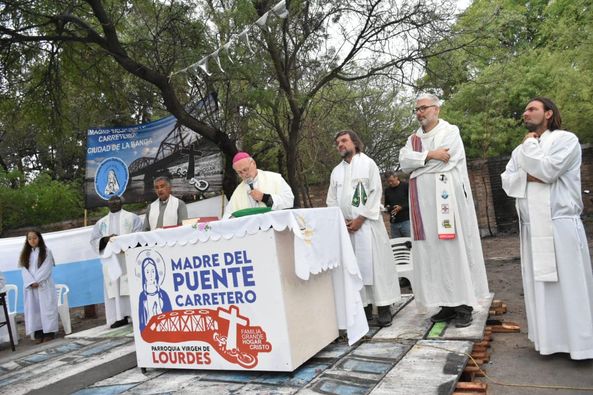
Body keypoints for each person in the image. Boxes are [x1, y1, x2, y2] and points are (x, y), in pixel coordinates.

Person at [501, 97, 593, 359]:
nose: (525, 113)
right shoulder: (520, 150)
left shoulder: (566, 140)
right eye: (525, 110)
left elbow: (549, 170)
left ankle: (580, 345)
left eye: (532, 109)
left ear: (549, 113)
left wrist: (530, 149)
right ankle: (549, 342)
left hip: (560, 224)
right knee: (541, 287)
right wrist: (528, 174)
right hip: (533, 227)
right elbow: (507, 181)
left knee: (570, 285)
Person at [398, 93, 489, 328]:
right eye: (417, 109)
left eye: (424, 108)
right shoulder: (413, 139)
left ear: (436, 109)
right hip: (422, 203)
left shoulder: (450, 131)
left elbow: (447, 160)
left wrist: (419, 164)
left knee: (452, 249)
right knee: (431, 252)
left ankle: (463, 305)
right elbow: (404, 162)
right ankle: (445, 304)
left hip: (445, 200)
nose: (419, 113)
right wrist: (429, 154)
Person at [327, 130, 400, 327]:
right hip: (348, 228)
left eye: (344, 140)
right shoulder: (336, 171)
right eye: (337, 142)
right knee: (355, 269)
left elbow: (375, 193)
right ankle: (365, 308)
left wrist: (361, 218)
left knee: (377, 268)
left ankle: (384, 307)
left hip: (368, 226)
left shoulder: (368, 164)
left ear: (355, 143)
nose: (340, 145)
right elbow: (331, 200)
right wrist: (341, 220)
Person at [90, 195, 143, 328]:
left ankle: (135, 314)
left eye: (116, 201)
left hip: (127, 258)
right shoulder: (101, 223)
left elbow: (139, 235)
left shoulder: (132, 218)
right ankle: (119, 317)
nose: (114, 203)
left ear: (121, 202)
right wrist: (106, 239)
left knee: (129, 284)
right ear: (107, 204)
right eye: (111, 201)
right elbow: (94, 241)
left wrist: (124, 243)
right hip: (111, 259)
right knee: (114, 286)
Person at [222, 152, 294, 218]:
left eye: (246, 169)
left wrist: (265, 198)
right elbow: (227, 215)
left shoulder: (275, 178)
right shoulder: (238, 192)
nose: (244, 174)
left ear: (253, 163)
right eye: (240, 172)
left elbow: (289, 200)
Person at [19, 230, 59, 343]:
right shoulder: (25, 254)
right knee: (35, 310)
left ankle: (49, 332)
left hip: (43, 285)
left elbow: (46, 267)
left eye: (35, 238)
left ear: (39, 238)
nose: (32, 240)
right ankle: (38, 333)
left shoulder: (46, 251)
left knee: (47, 309)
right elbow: (24, 270)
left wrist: (37, 280)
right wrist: (31, 282)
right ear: (27, 241)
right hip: (31, 287)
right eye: (30, 238)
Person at [138, 257, 172, 332]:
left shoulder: (163, 294)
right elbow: (141, 319)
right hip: (149, 332)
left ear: (156, 272)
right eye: (147, 272)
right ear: (144, 274)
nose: (150, 275)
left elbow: (170, 315)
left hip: (164, 330)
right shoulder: (143, 296)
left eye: (153, 271)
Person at [383, 172, 411, 238]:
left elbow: (412, 201)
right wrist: (386, 208)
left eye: (391, 181)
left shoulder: (406, 186)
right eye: (388, 182)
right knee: (397, 245)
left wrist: (401, 207)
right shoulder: (387, 190)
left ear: (396, 177)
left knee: (409, 243)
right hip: (394, 223)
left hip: (406, 221)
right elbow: (387, 204)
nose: (390, 183)